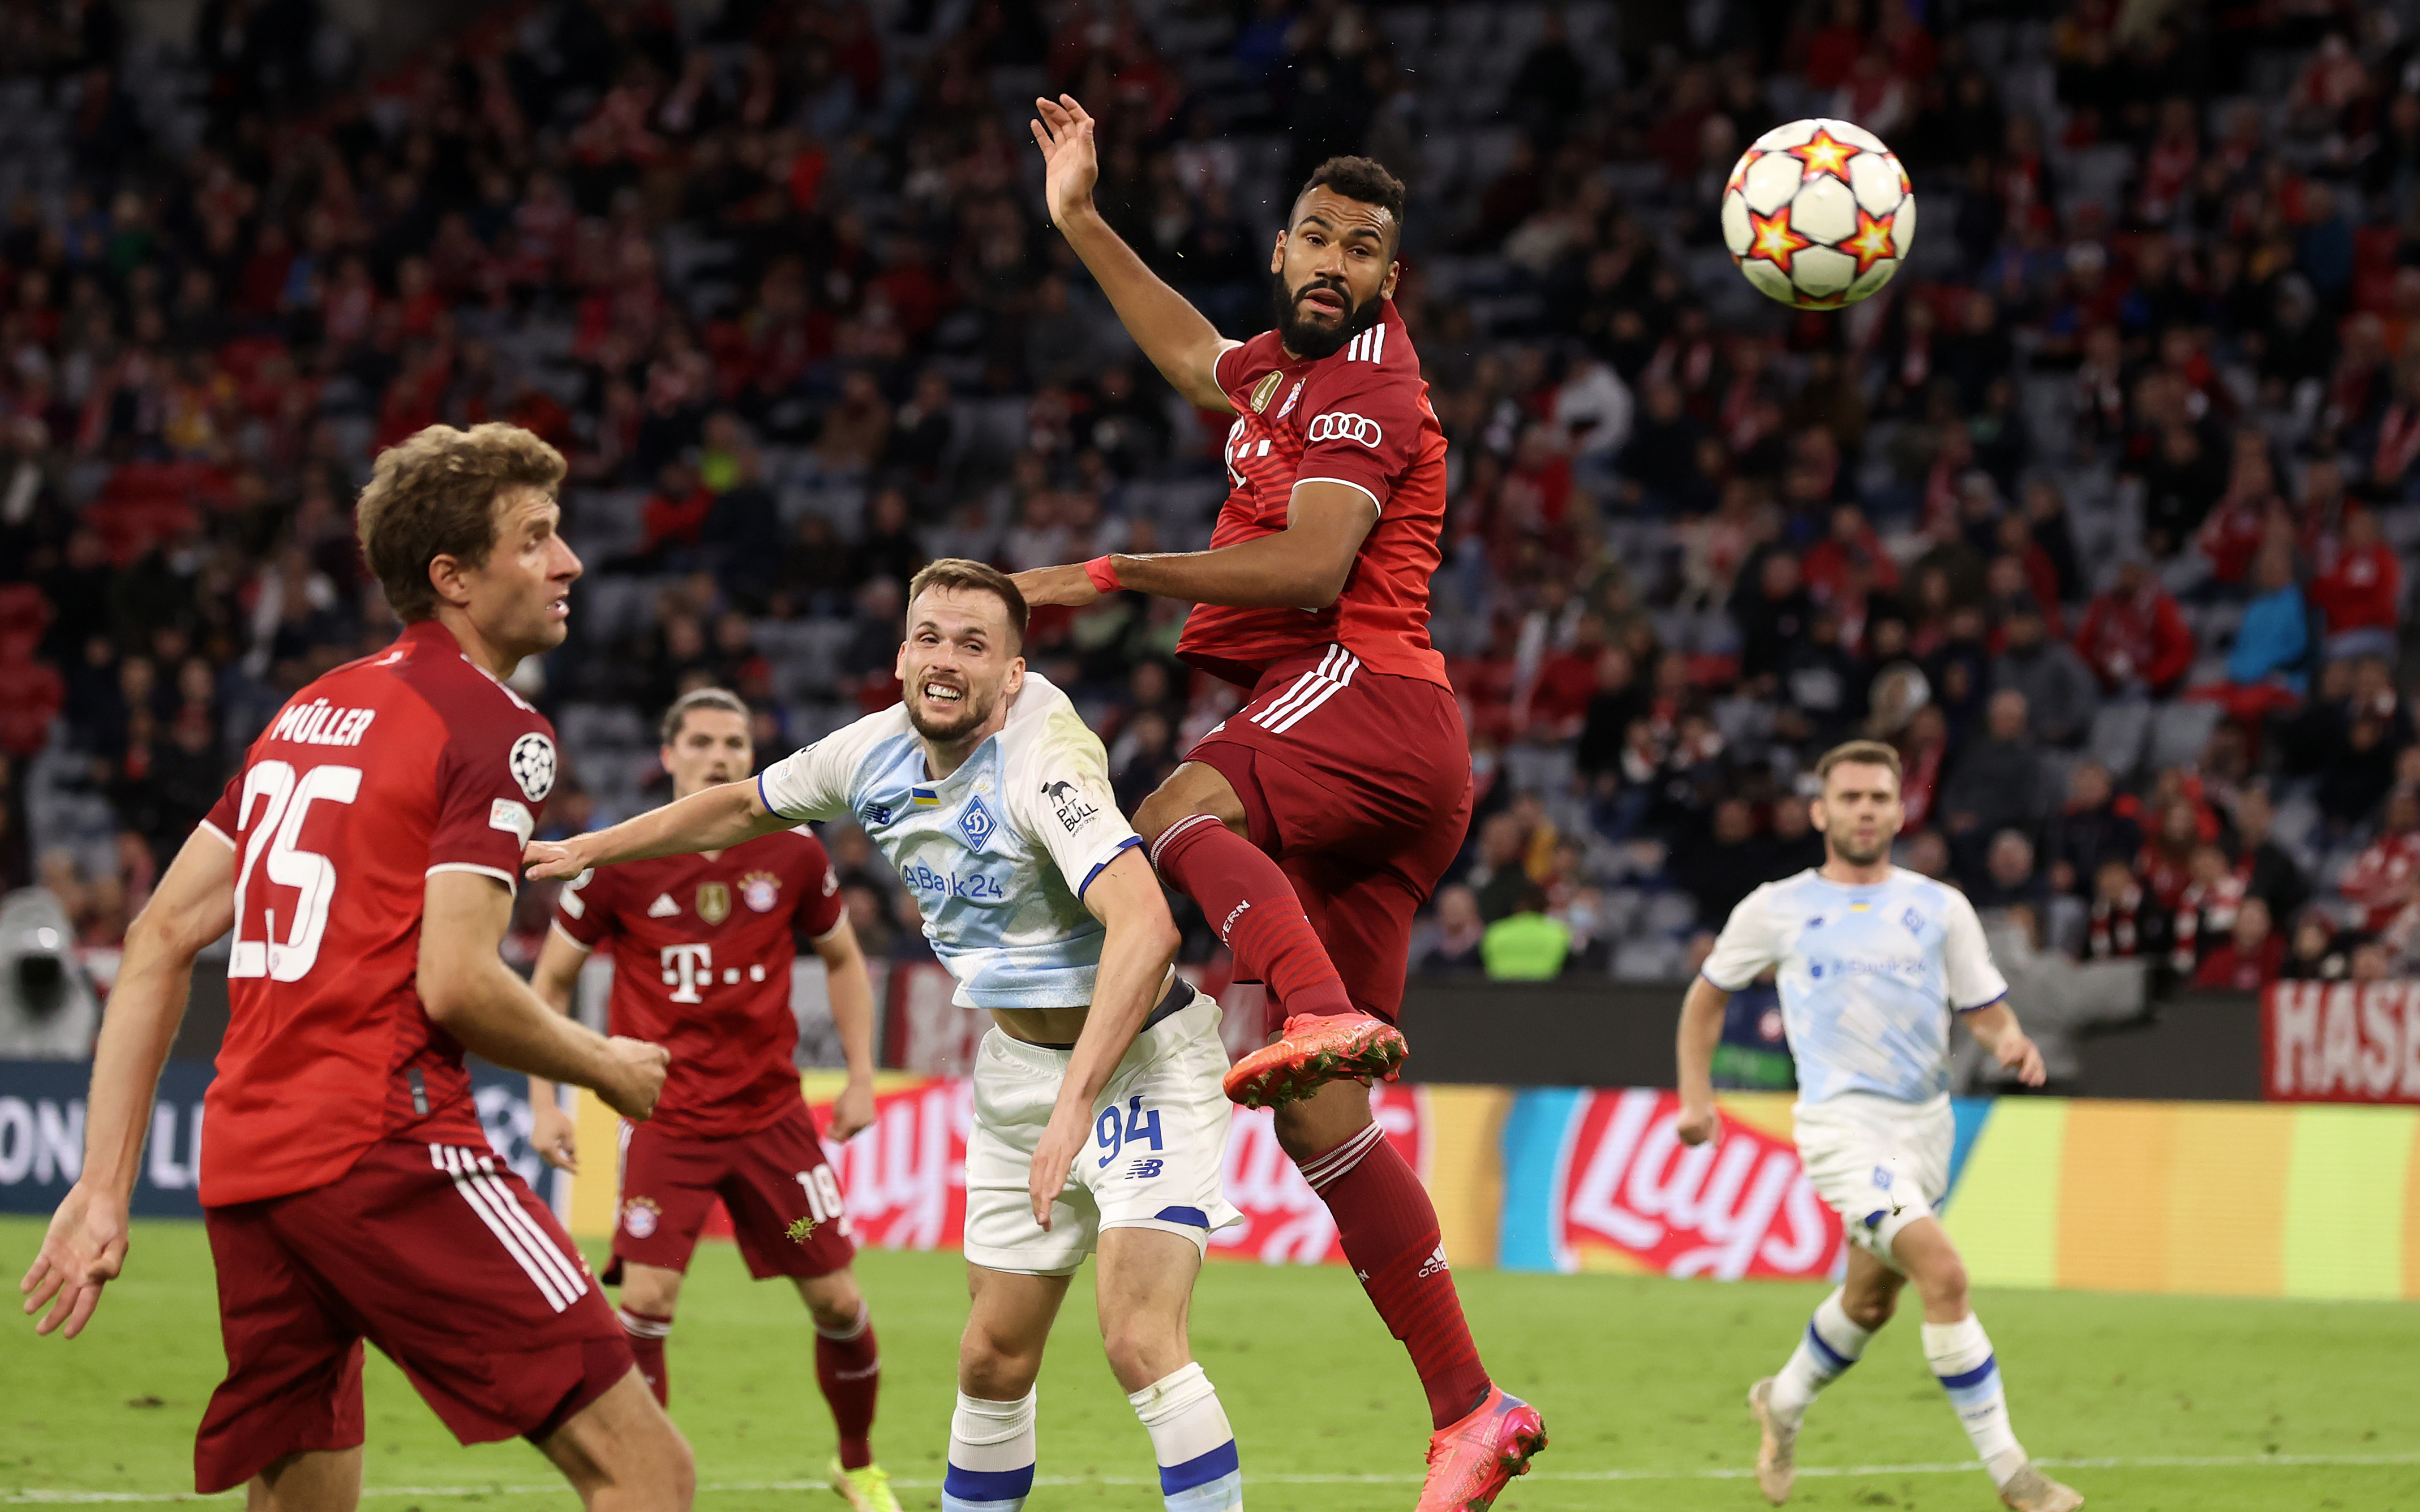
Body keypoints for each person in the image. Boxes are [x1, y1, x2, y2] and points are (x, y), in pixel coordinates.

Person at [1013, 95, 1543, 1506]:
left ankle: (1308, 1003)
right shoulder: (1280, 373)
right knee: (1323, 1117)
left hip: (1362, 695)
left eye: (1359, 248)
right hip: (1377, 767)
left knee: (1179, 803)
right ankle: (1469, 1407)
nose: (1331, 259)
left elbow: (1311, 573)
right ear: (1279, 248)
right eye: (1313, 234)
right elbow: (1192, 355)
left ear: (1387, 279)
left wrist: (1105, 576)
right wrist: (1077, 219)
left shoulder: (1372, 388)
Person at [19, 423, 692, 1508]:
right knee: (649, 1474)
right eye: (537, 540)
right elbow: (458, 984)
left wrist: (102, 1187)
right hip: (385, 1145)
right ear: (453, 578)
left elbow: (154, 939)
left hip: (250, 1169)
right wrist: (601, 1065)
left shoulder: (307, 712)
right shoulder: (493, 726)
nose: (569, 563)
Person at [524, 561, 1243, 1512]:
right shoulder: (869, 752)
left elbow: (1147, 927)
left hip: (1139, 1066)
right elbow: (741, 805)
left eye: (975, 646)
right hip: (1021, 1072)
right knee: (990, 1360)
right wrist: (588, 846)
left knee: (1138, 1341)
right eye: (931, 639)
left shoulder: (1047, 761)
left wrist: (1076, 1109)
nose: (946, 662)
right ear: (903, 655)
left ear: (1015, 674)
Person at [1675, 739, 2079, 1512]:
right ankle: (2014, 1476)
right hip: (1840, 1129)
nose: (1866, 810)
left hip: (1927, 1130)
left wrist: (2012, 1042)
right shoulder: (1777, 907)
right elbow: (1705, 999)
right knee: (1945, 1275)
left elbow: (1986, 1014)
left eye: (1879, 798)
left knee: (1869, 1303)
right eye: (1851, 797)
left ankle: (1781, 1403)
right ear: (1822, 811)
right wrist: (1699, 1099)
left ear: (1900, 809)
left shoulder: (1939, 908)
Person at [523, 687, 896, 1510]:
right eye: (701, 741)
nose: (721, 756)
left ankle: (858, 1462)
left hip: (771, 1123)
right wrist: (546, 1101)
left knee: (837, 1301)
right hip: (667, 1122)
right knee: (647, 1302)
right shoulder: (620, 859)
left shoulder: (795, 853)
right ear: (668, 755)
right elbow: (547, 985)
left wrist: (864, 1076)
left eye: (735, 742)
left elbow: (842, 960)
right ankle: (645, 1480)